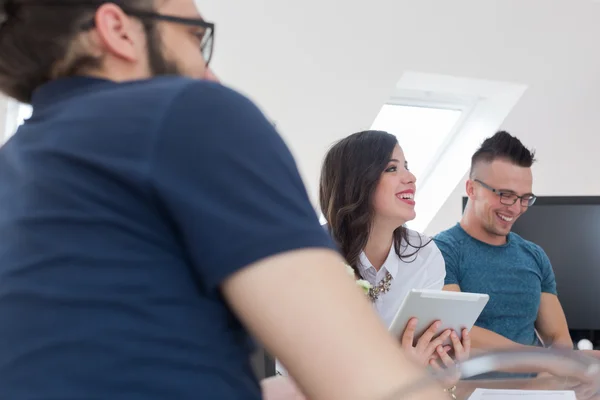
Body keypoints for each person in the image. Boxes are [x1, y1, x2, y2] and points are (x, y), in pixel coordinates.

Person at [0, 1, 448, 400]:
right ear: (118, 29)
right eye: (196, 38)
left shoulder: (17, 162)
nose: (209, 73)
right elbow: (363, 382)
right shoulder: (190, 112)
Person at [276, 131, 470, 380]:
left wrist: (444, 369)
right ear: (357, 182)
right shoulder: (310, 257)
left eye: (406, 167)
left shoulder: (424, 254)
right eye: (392, 169)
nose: (410, 178)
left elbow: (426, 365)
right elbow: (294, 368)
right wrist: (398, 369)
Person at [434, 131, 572, 351]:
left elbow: (558, 338)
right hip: (468, 386)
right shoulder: (440, 251)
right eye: (505, 194)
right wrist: (535, 358)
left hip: (539, 384)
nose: (517, 208)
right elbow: (456, 330)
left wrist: (568, 369)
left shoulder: (534, 256)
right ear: (471, 189)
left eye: (525, 197)